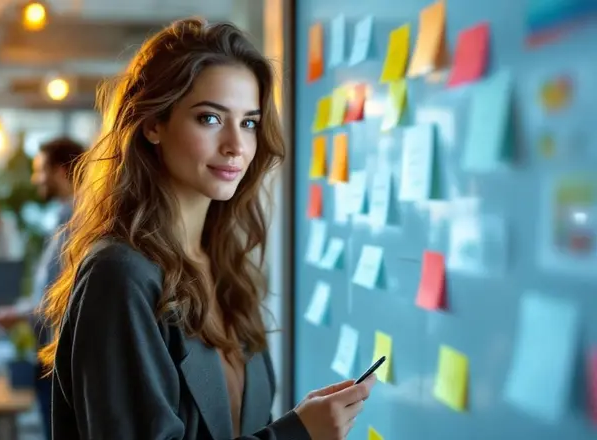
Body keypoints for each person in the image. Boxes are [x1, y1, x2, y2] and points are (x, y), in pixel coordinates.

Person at [40, 18, 376, 440]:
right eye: (210, 119)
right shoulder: (120, 274)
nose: (236, 145)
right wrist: (296, 434)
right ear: (153, 124)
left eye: (249, 122)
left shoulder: (227, 269)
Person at [0, 137, 85, 440]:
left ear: (60, 171)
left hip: (63, 361)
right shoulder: (63, 218)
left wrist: (21, 314)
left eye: (39, 170)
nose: (35, 179)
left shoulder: (79, 223)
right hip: (51, 355)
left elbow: (64, 299)